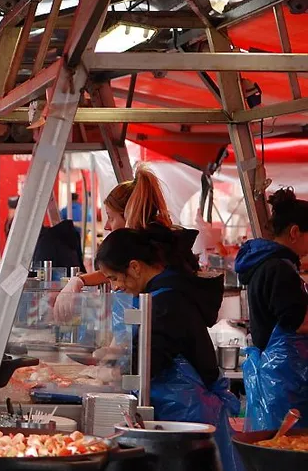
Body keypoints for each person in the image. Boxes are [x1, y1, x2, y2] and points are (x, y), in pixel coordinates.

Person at [96, 227, 241, 471]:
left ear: (135, 266)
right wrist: (116, 355)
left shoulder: (166, 301)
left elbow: (152, 359)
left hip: (186, 414)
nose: (116, 287)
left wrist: (113, 372)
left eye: (113, 278)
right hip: (186, 413)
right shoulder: (163, 293)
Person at [53, 167, 198, 319]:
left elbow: (139, 321)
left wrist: (78, 281)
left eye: (111, 217)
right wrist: (79, 281)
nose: (107, 226)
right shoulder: (161, 245)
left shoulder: (152, 260)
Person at [234, 188, 308, 431]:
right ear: (295, 232)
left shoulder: (267, 263)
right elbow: (295, 322)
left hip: (275, 374)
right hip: (282, 378)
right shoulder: (280, 268)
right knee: (286, 447)